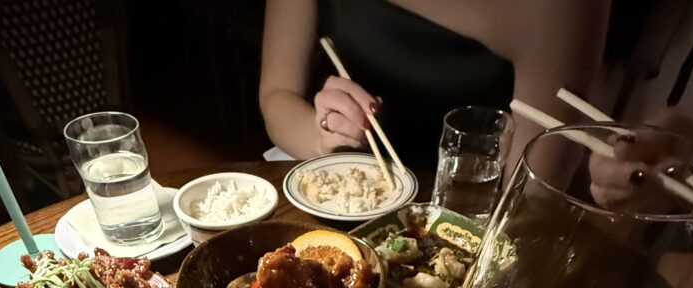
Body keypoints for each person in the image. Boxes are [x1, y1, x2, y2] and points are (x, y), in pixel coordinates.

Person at [259, 0, 610, 176]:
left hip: (464, 215)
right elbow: (276, 96)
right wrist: (322, 138)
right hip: (341, 183)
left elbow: (531, 201)